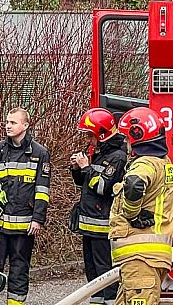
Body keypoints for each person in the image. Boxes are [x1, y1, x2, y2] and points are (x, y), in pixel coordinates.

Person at [0, 108, 50, 305]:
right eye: (7, 122)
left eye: (13, 122)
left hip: (23, 225)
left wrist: (37, 219)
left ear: (25, 125)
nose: (8, 126)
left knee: (19, 270)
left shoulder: (39, 153)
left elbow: (42, 190)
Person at [109, 107, 173, 305]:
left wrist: (131, 214)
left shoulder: (145, 163)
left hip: (140, 259)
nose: (126, 143)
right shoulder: (163, 163)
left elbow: (134, 184)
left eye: (127, 138)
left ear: (137, 135)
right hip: (145, 259)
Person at [70, 108, 127, 305]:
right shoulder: (101, 153)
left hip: (102, 225)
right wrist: (77, 169)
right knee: (92, 272)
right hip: (89, 224)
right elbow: (85, 183)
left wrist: (86, 167)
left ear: (101, 134)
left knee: (105, 271)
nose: (88, 139)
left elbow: (103, 187)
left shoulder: (117, 157)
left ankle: (110, 301)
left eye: (90, 135)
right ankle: (97, 300)